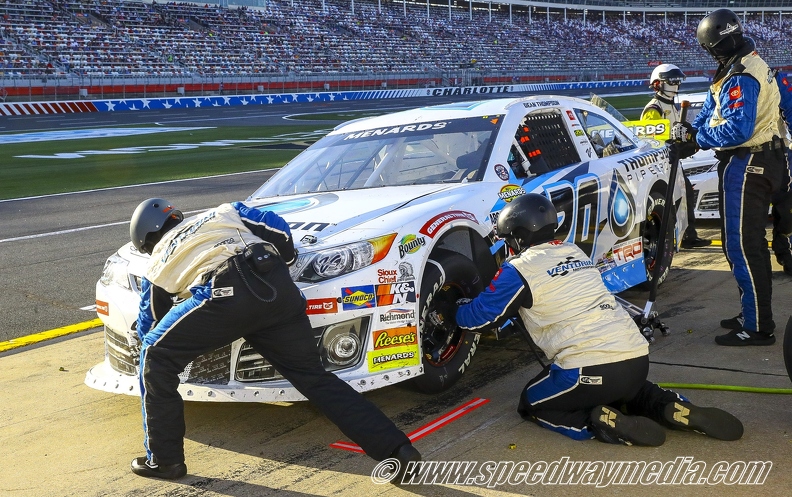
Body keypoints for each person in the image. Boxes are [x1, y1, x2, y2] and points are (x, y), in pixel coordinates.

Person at [127, 198, 420, 479]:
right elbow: (275, 226)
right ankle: (397, 451)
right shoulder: (223, 211)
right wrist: (286, 259)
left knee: (155, 357)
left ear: (146, 241)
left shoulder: (156, 262)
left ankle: (164, 460)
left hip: (223, 294)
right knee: (315, 379)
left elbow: (150, 326)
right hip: (278, 289)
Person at [430, 193, 743, 446]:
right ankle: (670, 407)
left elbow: (480, 318)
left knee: (532, 403)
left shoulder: (519, 269)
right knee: (632, 393)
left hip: (589, 370)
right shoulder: (575, 253)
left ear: (519, 237)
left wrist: (451, 307)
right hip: (636, 361)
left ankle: (594, 423)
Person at [670, 9, 786, 346]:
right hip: (759, 159)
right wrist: (692, 135)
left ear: (714, 46)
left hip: (749, 162)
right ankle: (752, 312)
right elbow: (711, 112)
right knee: (744, 245)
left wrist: (699, 138)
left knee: (743, 245)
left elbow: (738, 129)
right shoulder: (743, 64)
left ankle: (758, 326)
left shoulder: (741, 74)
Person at [641, 63, 711, 249]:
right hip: (662, 165)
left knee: (685, 195)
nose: (676, 84)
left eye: (678, 80)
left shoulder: (671, 106)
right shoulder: (654, 109)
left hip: (673, 163)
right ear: (658, 84)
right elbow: (651, 141)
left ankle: (688, 235)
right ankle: (669, 238)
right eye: (672, 80)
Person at [771, 70, 792, 276]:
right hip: (739, 155)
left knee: (785, 207)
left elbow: (790, 108)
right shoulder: (724, 78)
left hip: (778, 151)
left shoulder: (773, 76)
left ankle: (786, 254)